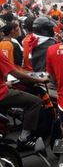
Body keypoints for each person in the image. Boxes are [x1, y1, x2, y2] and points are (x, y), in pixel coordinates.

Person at [0, 18, 49, 149]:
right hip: (10, 84)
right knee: (35, 101)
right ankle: (24, 138)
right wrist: (39, 80)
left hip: (10, 80)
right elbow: (15, 69)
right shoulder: (14, 44)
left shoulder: (21, 41)